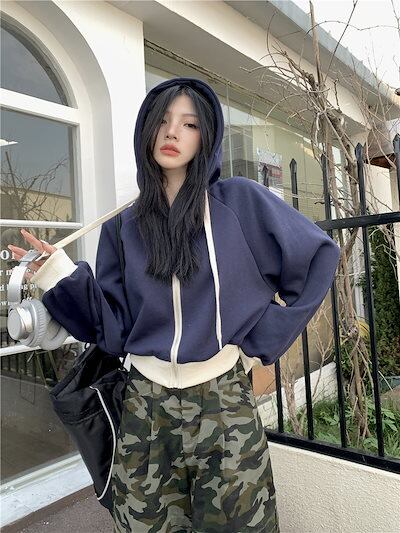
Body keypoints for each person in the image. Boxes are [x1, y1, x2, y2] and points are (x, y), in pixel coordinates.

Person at [8, 77, 341, 532]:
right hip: (145, 406)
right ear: (147, 130)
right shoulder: (123, 225)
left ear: (206, 136)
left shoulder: (239, 202)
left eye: (189, 124)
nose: (172, 133)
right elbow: (111, 328)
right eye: (163, 121)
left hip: (223, 402)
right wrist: (56, 273)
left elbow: (319, 256)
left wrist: (265, 334)